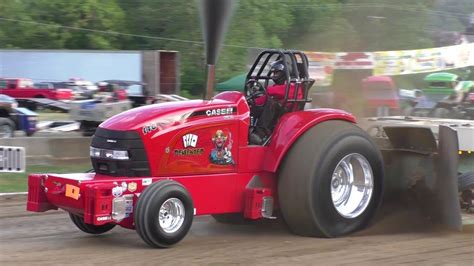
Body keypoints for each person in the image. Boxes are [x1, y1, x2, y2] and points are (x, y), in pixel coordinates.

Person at [248, 60, 303, 144]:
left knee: (271, 103)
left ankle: (260, 134)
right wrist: (251, 102)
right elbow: (266, 96)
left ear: (283, 73)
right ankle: (247, 130)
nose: (274, 76)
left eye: (276, 73)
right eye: (273, 73)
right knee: (254, 106)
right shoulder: (280, 86)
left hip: (286, 113)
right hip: (277, 110)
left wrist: (267, 90)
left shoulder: (294, 86)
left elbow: (276, 91)